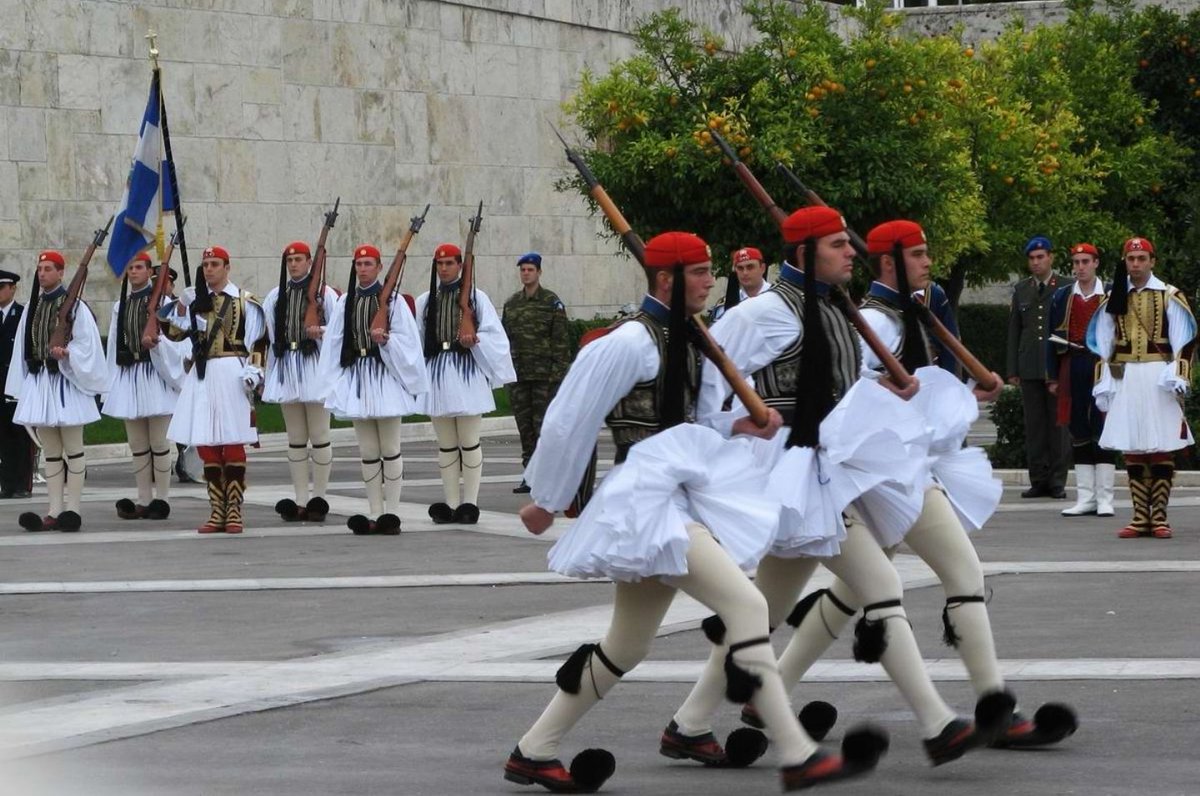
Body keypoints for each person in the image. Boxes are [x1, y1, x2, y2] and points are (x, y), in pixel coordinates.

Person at [505, 231, 885, 794]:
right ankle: (797, 754)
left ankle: (535, 749)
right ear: (666, 279)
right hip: (644, 499)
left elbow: (697, 422)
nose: (712, 281)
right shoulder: (630, 341)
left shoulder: (693, 338)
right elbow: (570, 417)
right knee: (749, 607)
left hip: (675, 495)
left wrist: (738, 426)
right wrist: (548, 496)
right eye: (701, 272)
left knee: (627, 644)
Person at [667, 208, 1005, 772]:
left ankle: (689, 722)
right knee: (881, 584)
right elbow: (706, 378)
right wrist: (722, 440)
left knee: (764, 609)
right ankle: (936, 723)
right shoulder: (765, 313)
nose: (852, 253)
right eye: (837, 245)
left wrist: (914, 394)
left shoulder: (830, 307)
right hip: (788, 473)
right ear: (804, 254)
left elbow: (840, 386)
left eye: (850, 245)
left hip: (825, 466)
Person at [769, 219, 1074, 752]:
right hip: (877, 476)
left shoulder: (910, 310)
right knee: (929, 579)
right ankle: (987, 708)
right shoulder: (874, 322)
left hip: (903, 470)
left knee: (872, 589)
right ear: (889, 261)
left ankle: (770, 691)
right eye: (919, 253)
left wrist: (960, 397)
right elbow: (851, 399)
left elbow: (914, 392)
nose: (930, 261)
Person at [316, 244, 429, 535]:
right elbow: (336, 342)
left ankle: (392, 512)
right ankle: (374, 511)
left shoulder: (392, 301)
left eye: (368, 264)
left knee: (390, 448)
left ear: (379, 267)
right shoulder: (346, 302)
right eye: (359, 264)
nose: (363, 269)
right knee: (367, 450)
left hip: (384, 376)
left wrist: (388, 341)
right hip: (359, 376)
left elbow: (409, 340)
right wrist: (333, 380)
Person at [1089, 236, 1196, 539]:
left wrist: (1179, 375)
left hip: (1158, 375)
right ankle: (1139, 517)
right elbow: (1103, 342)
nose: (1135, 264)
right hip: (1127, 377)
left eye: (1141, 259)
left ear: (1152, 261)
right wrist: (1104, 381)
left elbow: (1183, 340)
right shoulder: (1114, 298)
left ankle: (1159, 517)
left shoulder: (1169, 295)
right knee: (1133, 446)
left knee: (1161, 446)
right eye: (1131, 259)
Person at [160, 245, 266, 534]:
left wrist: (253, 373)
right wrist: (182, 305)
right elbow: (169, 329)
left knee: (231, 442)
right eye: (206, 264)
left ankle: (234, 510)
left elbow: (258, 342)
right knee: (207, 443)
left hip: (232, 373)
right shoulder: (196, 302)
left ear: (227, 267)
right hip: (203, 374)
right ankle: (217, 510)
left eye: (215, 264)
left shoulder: (245, 302)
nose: (209, 269)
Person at [6, 250, 108, 532]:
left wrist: (68, 355)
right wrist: (22, 384)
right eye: (40, 269)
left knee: (73, 449)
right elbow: (23, 347)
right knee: (51, 451)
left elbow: (87, 345)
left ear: (61, 273)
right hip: (42, 383)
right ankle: (54, 510)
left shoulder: (75, 306)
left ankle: (72, 511)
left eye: (49, 269)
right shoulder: (33, 306)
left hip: (66, 383)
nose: (42, 273)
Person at [415, 243, 515, 525]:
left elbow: (495, 334)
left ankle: (469, 503)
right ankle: (451, 503)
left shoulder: (475, 297)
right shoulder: (426, 300)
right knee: (446, 444)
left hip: (466, 370)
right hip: (437, 371)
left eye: (449, 263)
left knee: (469, 442)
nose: (444, 268)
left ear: (460, 265)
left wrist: (476, 340)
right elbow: (418, 339)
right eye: (440, 263)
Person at [103, 252, 185, 520]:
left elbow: (179, 340)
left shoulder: (163, 303)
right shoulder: (121, 305)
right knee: (138, 444)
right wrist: (111, 381)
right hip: (131, 374)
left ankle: (162, 499)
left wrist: (160, 345)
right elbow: (115, 343)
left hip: (156, 374)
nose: (134, 272)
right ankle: (143, 498)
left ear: (150, 271)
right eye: (131, 268)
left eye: (139, 267)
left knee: (159, 442)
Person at [262, 241, 339, 523]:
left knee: (319, 436)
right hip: (288, 364)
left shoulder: (325, 295)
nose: (293, 264)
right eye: (290, 260)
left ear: (310, 262)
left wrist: (322, 332)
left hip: (314, 364)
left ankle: (319, 497)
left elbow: (338, 330)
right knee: (295, 438)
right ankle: (300, 500)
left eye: (298, 259)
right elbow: (270, 335)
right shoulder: (275, 296)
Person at [1047, 243, 1114, 517]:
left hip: (1103, 364)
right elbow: (1050, 339)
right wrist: (1052, 376)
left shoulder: (1110, 294)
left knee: (1104, 425)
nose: (1080, 267)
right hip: (1073, 362)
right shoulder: (1062, 296)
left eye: (1085, 261)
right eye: (1076, 262)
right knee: (1077, 426)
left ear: (1096, 263)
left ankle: (1105, 498)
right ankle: (1086, 497)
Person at [1007, 236, 1073, 499]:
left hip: (1055, 365)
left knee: (1058, 427)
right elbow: (1015, 330)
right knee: (1034, 426)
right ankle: (1038, 479)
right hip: (1030, 365)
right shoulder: (1022, 289)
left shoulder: (1066, 286)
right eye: (1032, 258)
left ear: (1051, 258)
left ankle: (1057, 480)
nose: (1036, 262)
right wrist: (1012, 368)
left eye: (1041, 257)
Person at [501, 251, 571, 494]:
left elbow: (561, 342)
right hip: (519, 376)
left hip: (545, 377)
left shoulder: (552, 302)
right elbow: (505, 340)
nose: (526, 273)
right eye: (523, 269)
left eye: (530, 269)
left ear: (539, 272)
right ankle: (529, 475)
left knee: (544, 428)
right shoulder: (511, 304)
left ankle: (548, 476)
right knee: (525, 429)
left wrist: (558, 377)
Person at [0, 269, 35, 499]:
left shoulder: (23, 315)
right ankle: (7, 484)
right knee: (3, 437)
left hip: (16, 385)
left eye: (2, 287)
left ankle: (22, 483)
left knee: (20, 436)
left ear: (13, 288)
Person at [708, 246, 769, 323]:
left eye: (750, 267)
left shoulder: (778, 297)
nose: (745, 273)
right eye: (740, 268)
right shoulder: (726, 305)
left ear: (762, 268)